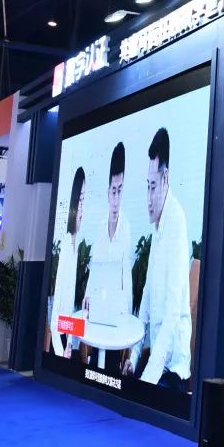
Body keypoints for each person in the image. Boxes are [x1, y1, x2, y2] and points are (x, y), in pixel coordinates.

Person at [123, 128, 192, 391]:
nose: (148, 199)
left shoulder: (177, 222)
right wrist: (134, 358)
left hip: (173, 367)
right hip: (156, 362)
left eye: (153, 187)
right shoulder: (158, 227)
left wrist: (149, 376)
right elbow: (147, 297)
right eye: (147, 187)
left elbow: (173, 312)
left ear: (166, 178)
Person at [83, 143, 133, 367]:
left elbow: (126, 276)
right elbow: (94, 267)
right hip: (98, 308)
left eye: (120, 190)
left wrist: (126, 314)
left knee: (111, 364)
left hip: (116, 311)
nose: (116, 197)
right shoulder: (100, 226)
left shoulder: (126, 227)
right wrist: (87, 295)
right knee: (95, 360)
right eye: (113, 190)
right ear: (107, 192)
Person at [50, 167, 85, 359]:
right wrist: (60, 349)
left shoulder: (76, 245)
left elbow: (72, 309)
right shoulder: (65, 244)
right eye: (80, 201)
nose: (82, 209)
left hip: (69, 337)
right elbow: (57, 307)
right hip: (60, 338)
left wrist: (71, 342)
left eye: (84, 201)